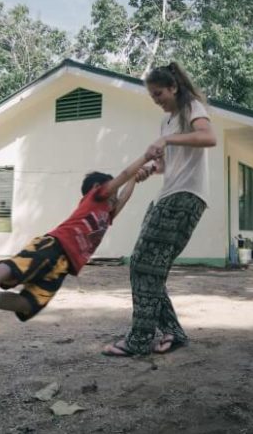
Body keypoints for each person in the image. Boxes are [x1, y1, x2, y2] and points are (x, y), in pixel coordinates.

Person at [0, 152, 152, 320]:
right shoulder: (95, 199)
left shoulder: (107, 215)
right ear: (98, 188)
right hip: (53, 245)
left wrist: (136, 179)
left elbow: (124, 197)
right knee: (15, 267)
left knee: (29, 304)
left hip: (64, 266)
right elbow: (122, 177)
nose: (115, 197)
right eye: (112, 191)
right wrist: (144, 158)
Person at [103, 62, 216, 357]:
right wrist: (151, 168)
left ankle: (140, 339)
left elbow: (208, 138)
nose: (156, 100)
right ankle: (173, 333)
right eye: (152, 96)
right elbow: (168, 164)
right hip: (168, 194)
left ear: (173, 87)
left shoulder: (191, 108)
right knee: (149, 268)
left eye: (159, 94)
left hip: (186, 197)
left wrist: (166, 140)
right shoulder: (165, 123)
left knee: (142, 263)